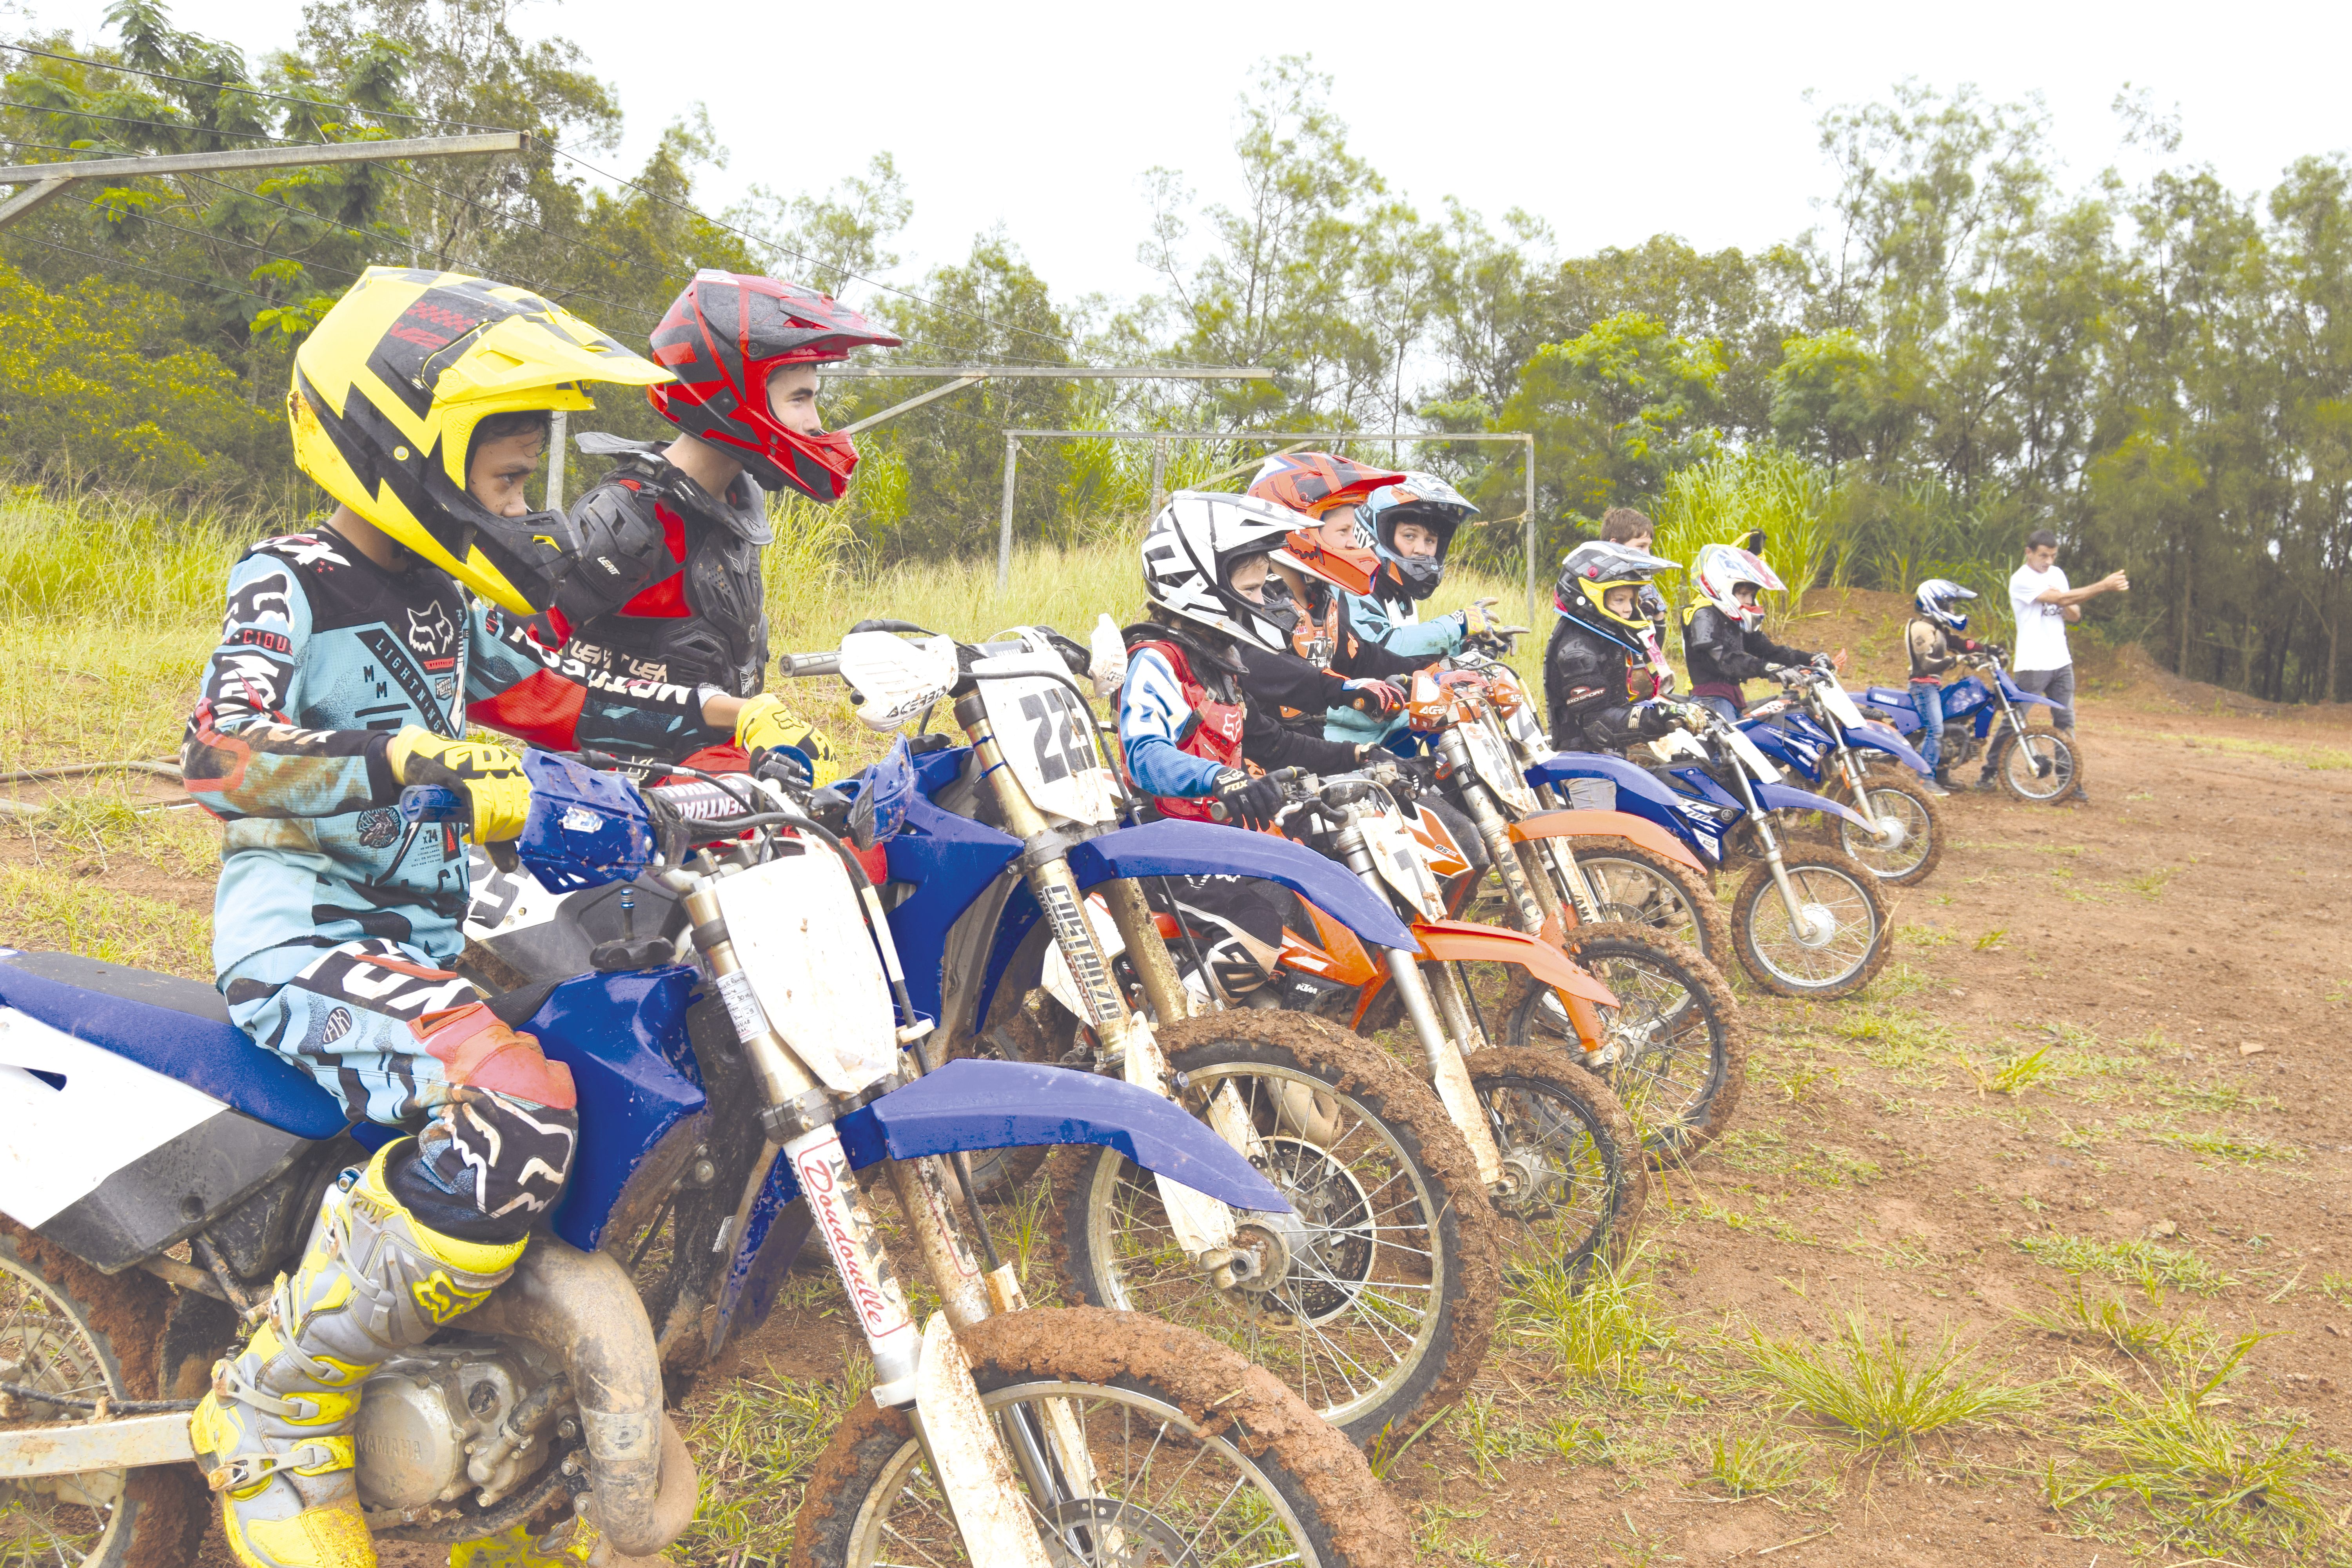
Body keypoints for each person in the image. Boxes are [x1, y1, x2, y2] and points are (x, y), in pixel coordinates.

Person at [176, 269, 672, 1568]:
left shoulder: (448, 602)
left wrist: (748, 739)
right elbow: (219, 753)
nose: (520, 507)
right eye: (506, 483)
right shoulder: (290, 579)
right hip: (302, 938)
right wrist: (411, 760)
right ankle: (274, 1405)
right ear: (408, 449)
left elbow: (574, 703)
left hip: (420, 944)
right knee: (513, 1103)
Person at [465, 269, 903, 783]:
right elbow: (513, 664)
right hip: (623, 793)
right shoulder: (631, 519)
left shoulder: (734, 502)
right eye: (800, 398)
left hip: (720, 779)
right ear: (734, 394)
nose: (814, 422)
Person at [1115, 491, 1389, 1000]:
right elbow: (1145, 754)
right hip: (1163, 849)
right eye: (1251, 587)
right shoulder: (1156, 660)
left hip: (1216, 839)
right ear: (1198, 584)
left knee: (1324, 885)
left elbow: (1273, 742)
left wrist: (1358, 758)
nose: (1264, 599)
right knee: (1256, 930)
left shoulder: (1217, 661)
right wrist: (1220, 777)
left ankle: (1271, 1050)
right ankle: (1172, 1042)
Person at [1984, 527, 2127, 800]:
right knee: (2015, 718)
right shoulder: (2021, 579)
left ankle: (2068, 779)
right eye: (2043, 556)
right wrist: (2102, 587)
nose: (2048, 561)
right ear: (2029, 553)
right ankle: (1991, 770)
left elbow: (2074, 614)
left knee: (2065, 720)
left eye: (2052, 556)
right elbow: (2063, 600)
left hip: (2061, 661)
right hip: (2033, 662)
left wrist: (2066, 599)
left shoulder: (2057, 574)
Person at [1543, 539, 1687, 752]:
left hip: (1610, 757)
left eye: (1632, 600)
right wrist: (1656, 718)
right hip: (1585, 767)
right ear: (1588, 597)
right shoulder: (1578, 651)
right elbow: (1599, 725)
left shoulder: (1604, 640)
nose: (1629, 609)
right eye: (1620, 600)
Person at [1680, 542, 1846, 721]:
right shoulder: (1703, 614)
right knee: (1734, 748)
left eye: (1751, 595)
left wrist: (1810, 659)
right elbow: (1726, 660)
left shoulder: (1732, 618)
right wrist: (1767, 668)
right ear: (1723, 588)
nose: (1750, 601)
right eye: (1744, 594)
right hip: (1710, 699)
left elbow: (1769, 651)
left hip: (1731, 698)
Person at [1906, 578, 1993, 793]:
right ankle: (1923, 779)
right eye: (1950, 604)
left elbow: (1962, 644)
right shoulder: (1921, 628)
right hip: (1923, 688)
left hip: (1933, 686)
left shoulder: (1938, 629)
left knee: (1952, 724)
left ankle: (1942, 774)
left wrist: (1989, 650)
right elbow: (1926, 663)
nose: (1953, 609)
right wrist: (1959, 661)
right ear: (1937, 603)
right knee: (1936, 730)